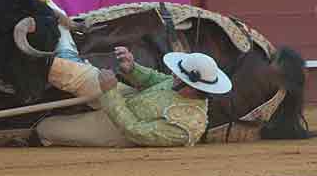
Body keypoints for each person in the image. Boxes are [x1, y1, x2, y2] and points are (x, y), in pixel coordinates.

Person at [34, 46, 232, 147]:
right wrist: (132, 68)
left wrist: (110, 92)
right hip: (127, 98)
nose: (172, 75)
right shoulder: (177, 84)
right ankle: (30, 67)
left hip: (118, 130)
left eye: (177, 75)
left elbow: (134, 131)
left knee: (46, 128)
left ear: (189, 85)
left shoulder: (187, 125)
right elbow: (155, 80)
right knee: (68, 71)